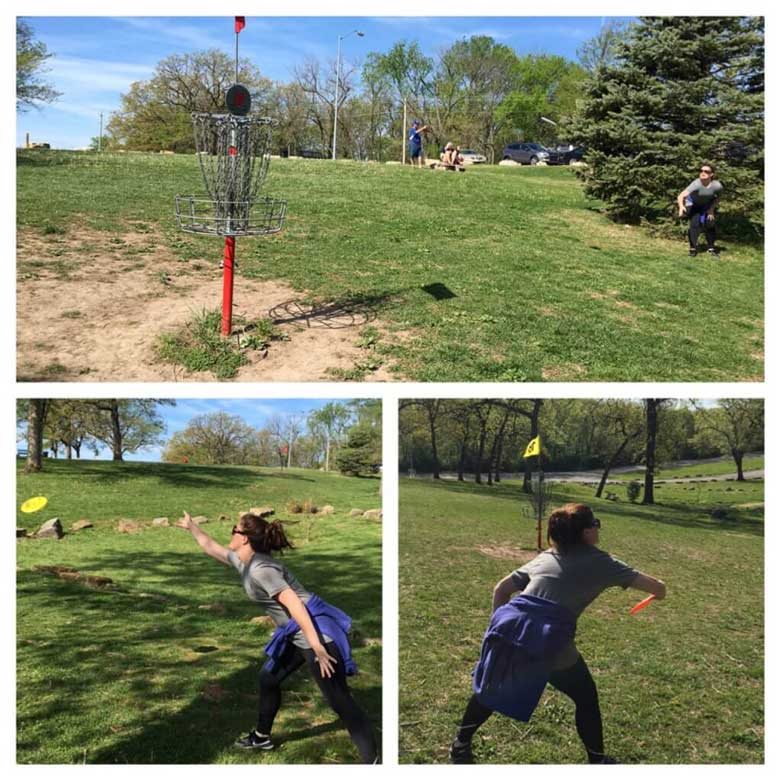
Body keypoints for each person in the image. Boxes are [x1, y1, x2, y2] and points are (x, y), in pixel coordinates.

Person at [450, 503, 666, 765]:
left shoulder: (546, 556)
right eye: (595, 523)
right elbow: (658, 587)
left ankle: (460, 744)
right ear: (586, 533)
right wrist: (659, 592)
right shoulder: (603, 562)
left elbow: (501, 590)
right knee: (586, 698)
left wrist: (496, 630)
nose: (598, 528)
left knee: (492, 688)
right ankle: (597, 761)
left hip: (510, 631)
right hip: (550, 643)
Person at [176, 511, 378, 764]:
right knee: (269, 678)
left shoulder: (261, 569)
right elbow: (212, 548)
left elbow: (296, 606)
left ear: (245, 539)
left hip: (317, 635)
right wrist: (192, 527)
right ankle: (262, 736)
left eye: (234, 530)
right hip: (296, 633)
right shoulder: (246, 562)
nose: (230, 533)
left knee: (339, 700)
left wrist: (317, 648)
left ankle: (373, 761)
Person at [676, 163, 723, 257]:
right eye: (701, 171)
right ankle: (693, 249)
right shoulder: (697, 183)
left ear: (711, 174)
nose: (703, 172)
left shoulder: (717, 185)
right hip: (693, 204)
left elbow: (719, 197)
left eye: (706, 171)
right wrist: (681, 207)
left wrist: (711, 209)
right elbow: (681, 196)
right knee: (695, 223)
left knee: (710, 223)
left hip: (707, 205)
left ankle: (711, 248)